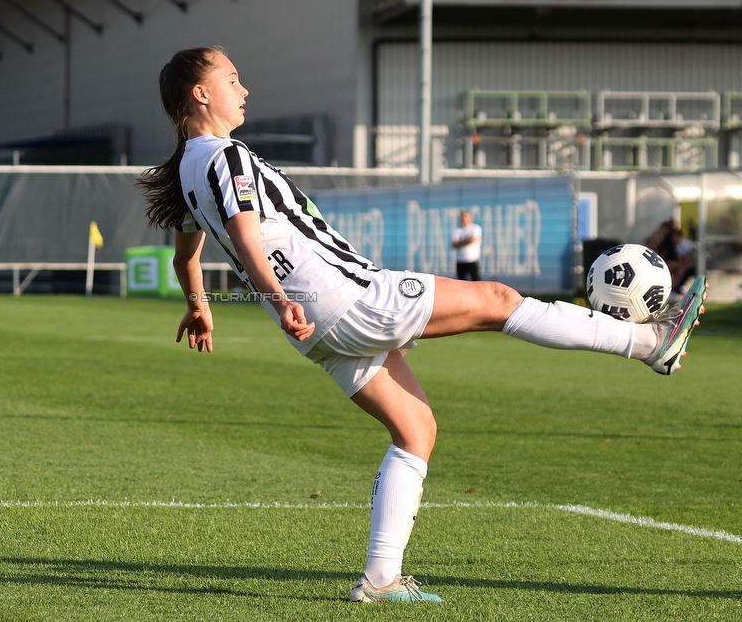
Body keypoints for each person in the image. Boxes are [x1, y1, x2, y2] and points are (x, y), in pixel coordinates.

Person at [138, 47, 708, 604]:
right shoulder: (226, 156)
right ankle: (649, 341)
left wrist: (200, 304)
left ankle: (381, 580)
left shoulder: (190, 167)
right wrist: (277, 293)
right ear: (201, 92)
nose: (244, 90)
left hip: (315, 330)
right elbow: (243, 233)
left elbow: (187, 257)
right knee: (497, 298)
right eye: (233, 79)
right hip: (346, 298)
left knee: (416, 431)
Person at [451, 210, 481, 281]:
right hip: (460, 260)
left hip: (472, 259)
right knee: (461, 282)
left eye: (466, 217)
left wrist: (460, 243)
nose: (464, 219)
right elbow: (454, 244)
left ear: (470, 218)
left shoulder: (475, 228)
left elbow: (473, 240)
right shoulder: (457, 230)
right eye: (462, 217)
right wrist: (466, 241)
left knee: (475, 281)